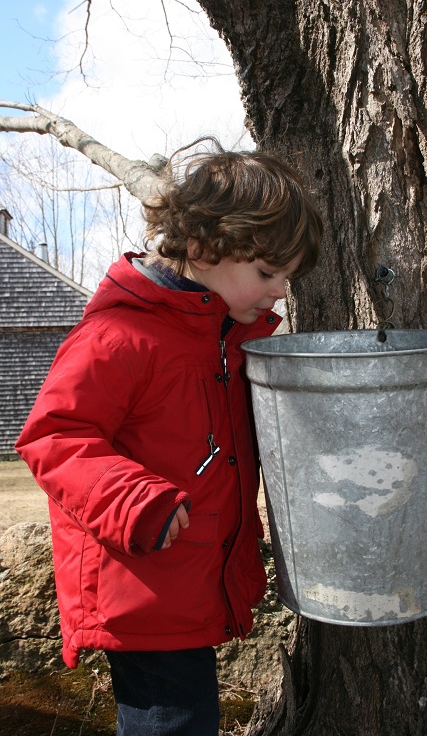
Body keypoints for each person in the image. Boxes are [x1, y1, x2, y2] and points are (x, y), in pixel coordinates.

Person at [16, 138, 323, 736]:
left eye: (286, 277)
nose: (280, 291)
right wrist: (134, 500)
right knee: (174, 722)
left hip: (188, 579)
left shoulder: (227, 340)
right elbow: (54, 435)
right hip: (140, 582)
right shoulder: (119, 336)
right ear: (206, 247)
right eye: (266, 272)